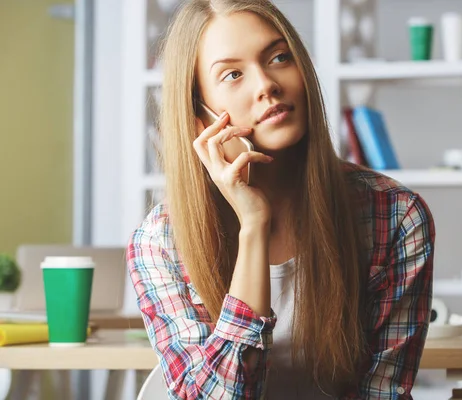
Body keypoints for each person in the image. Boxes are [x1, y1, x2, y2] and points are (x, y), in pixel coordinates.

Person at [126, 0, 435, 399]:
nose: (266, 84)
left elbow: (382, 392)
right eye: (233, 74)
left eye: (278, 57)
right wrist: (253, 226)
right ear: (200, 117)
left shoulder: (394, 214)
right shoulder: (160, 242)